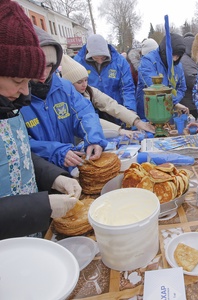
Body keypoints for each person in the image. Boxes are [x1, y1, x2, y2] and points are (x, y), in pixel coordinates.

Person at [0, 0, 81, 239]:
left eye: (29, 81)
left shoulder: (9, 105)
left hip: (29, 240)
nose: (26, 92)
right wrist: (41, 206)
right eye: (17, 80)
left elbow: (19, 156)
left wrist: (55, 177)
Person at [20, 26, 107, 172]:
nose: (44, 71)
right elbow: (19, 142)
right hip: (38, 176)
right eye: (38, 65)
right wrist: (55, 151)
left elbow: (84, 114)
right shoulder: (14, 95)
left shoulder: (64, 87)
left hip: (69, 170)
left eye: (49, 65)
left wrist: (94, 139)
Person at [60, 54, 155, 135]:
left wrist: (135, 121)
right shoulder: (65, 100)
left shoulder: (90, 91)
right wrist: (119, 130)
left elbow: (110, 104)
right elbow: (88, 119)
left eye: (86, 80)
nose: (84, 84)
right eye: (79, 82)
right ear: (69, 84)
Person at [74, 34, 137, 125]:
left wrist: (130, 111)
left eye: (103, 58)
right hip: (91, 111)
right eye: (96, 58)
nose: (100, 61)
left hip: (116, 110)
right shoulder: (78, 62)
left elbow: (127, 87)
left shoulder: (119, 62)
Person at [136, 33, 188, 120]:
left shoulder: (178, 66)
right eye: (173, 55)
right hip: (149, 113)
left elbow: (181, 88)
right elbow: (155, 88)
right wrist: (174, 102)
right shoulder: (148, 61)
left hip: (168, 113)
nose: (175, 59)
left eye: (178, 56)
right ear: (165, 51)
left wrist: (174, 100)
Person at [180, 32, 198, 119]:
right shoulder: (186, 62)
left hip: (188, 102)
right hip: (190, 105)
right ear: (192, 49)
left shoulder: (186, 59)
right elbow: (194, 81)